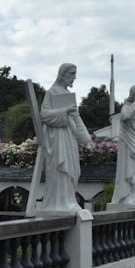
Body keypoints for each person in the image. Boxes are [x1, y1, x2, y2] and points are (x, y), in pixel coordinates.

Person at [40, 63, 93, 212]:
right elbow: (44, 115)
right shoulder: (51, 92)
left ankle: (69, 200)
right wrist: (64, 111)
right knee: (60, 168)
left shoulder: (68, 95)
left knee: (72, 168)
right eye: (72, 74)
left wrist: (87, 139)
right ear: (62, 74)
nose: (74, 78)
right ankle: (59, 203)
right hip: (57, 138)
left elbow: (76, 117)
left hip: (69, 137)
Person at [111, 85, 135, 206]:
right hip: (128, 144)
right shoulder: (127, 106)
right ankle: (126, 197)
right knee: (129, 169)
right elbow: (124, 116)